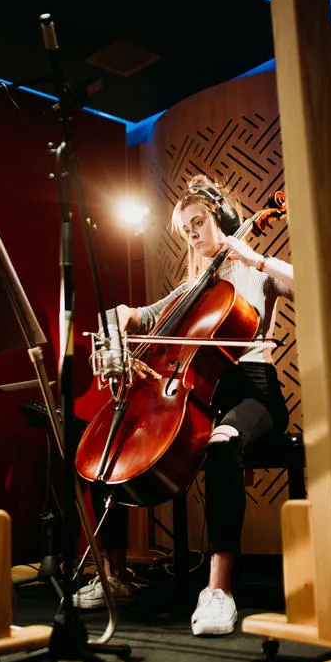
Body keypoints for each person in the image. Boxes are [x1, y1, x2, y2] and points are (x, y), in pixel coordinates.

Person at [75, 175, 294, 636]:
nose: (193, 234)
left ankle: (219, 590)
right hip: (205, 396)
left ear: (223, 219)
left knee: (221, 443)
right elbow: (141, 316)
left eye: (198, 222)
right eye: (185, 229)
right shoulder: (190, 289)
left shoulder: (255, 273)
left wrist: (256, 257)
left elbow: (313, 282)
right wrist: (119, 318)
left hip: (255, 391)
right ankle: (114, 575)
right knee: (109, 444)